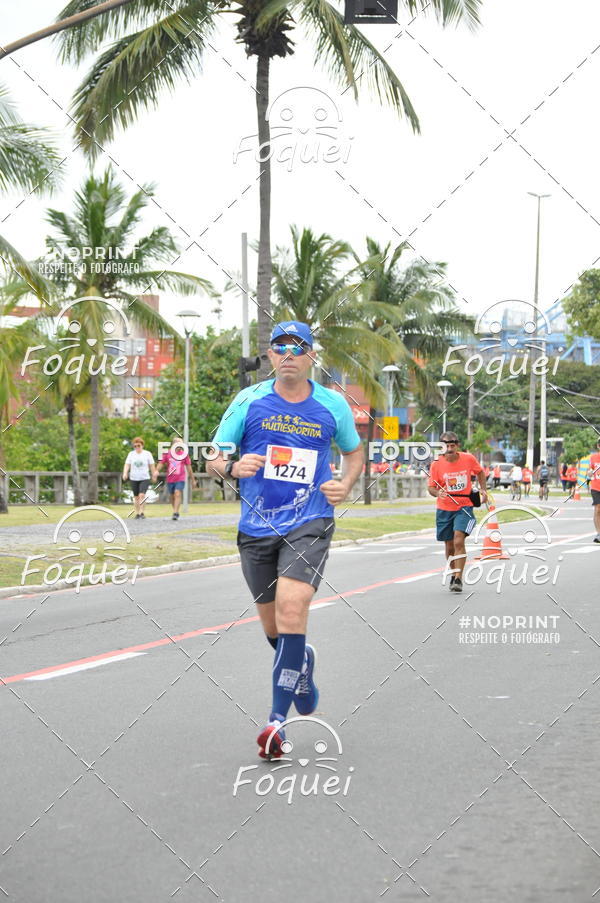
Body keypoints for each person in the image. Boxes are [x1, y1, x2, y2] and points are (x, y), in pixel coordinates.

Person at [208, 321, 364, 759]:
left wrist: (346, 483)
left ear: (312, 355)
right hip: (257, 527)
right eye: (281, 347)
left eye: (299, 346)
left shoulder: (332, 405)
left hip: (310, 521)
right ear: (271, 356)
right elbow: (214, 457)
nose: (289, 353)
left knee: (292, 607)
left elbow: (354, 451)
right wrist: (233, 467)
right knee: (275, 629)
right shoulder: (249, 400)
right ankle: (302, 666)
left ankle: (277, 723)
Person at [427, 431, 488, 594]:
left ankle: (459, 578)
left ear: (457, 446)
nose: (450, 448)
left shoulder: (468, 459)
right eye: (446, 445)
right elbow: (431, 487)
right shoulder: (436, 464)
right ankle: (454, 574)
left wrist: (483, 490)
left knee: (458, 540)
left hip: (464, 506)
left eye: (452, 445)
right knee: (449, 545)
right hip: (444, 508)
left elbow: (480, 472)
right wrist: (437, 493)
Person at [156, 436, 198, 521]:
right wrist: (156, 471)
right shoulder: (167, 454)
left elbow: (189, 468)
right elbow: (161, 463)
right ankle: (175, 510)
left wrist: (193, 480)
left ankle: (175, 512)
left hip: (180, 478)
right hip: (170, 479)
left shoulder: (184, 454)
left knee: (177, 493)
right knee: (172, 496)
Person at [122, 437, 156, 519]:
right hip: (134, 478)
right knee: (136, 497)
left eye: (139, 445)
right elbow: (127, 464)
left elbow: (152, 465)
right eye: (135, 446)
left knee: (142, 495)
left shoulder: (147, 454)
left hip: (144, 477)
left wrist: (154, 475)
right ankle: (137, 513)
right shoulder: (131, 454)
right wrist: (125, 473)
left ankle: (142, 512)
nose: (137, 447)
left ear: (142, 445)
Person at [587, 440, 600, 543]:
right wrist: (589, 473)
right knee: (597, 509)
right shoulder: (593, 457)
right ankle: (598, 533)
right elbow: (589, 470)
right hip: (596, 487)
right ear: (598, 446)